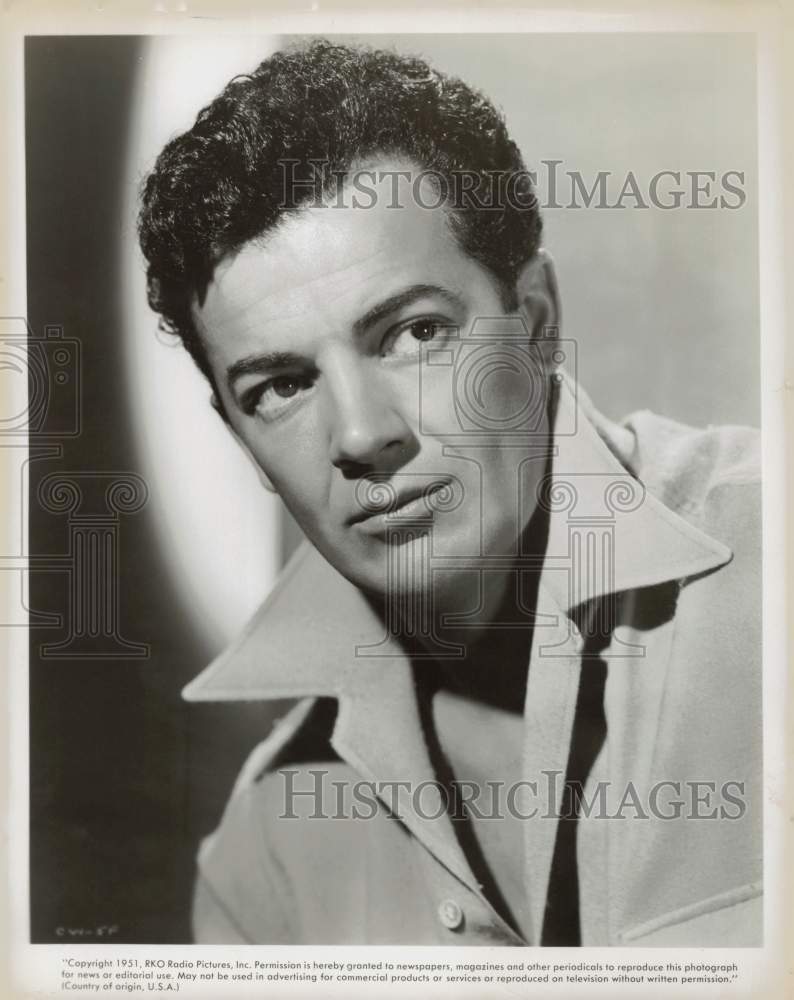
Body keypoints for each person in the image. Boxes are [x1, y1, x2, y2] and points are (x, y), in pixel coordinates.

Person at [137, 39, 761, 946]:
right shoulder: (261, 863)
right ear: (240, 437)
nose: (360, 435)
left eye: (414, 332)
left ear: (538, 322)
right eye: (280, 386)